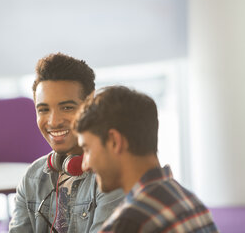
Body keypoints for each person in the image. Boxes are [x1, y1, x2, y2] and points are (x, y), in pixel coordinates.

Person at [74, 86, 219, 233]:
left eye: (87, 149)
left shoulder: (127, 223)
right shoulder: (192, 203)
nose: (85, 165)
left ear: (114, 141)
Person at [9, 53, 125, 233]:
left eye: (67, 107)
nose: (53, 122)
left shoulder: (112, 175)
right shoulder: (33, 177)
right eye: (43, 110)